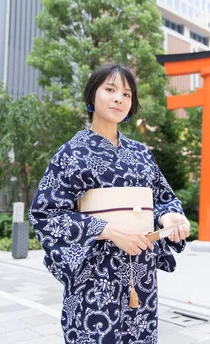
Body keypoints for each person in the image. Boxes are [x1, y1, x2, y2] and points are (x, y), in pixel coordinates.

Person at [29, 63, 191, 343]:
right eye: (110, 89)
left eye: (127, 94)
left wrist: (169, 218)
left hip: (141, 278)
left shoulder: (141, 154)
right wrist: (110, 231)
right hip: (94, 279)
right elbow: (46, 214)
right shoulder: (72, 153)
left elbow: (163, 199)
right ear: (93, 95)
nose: (119, 98)